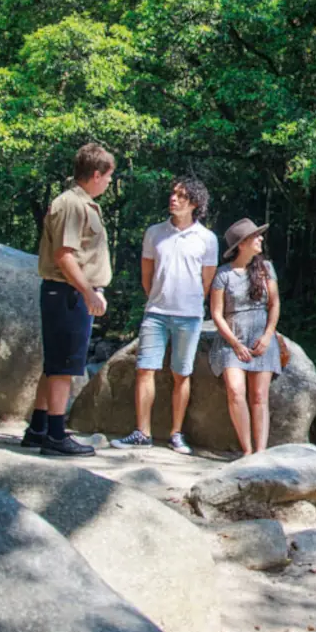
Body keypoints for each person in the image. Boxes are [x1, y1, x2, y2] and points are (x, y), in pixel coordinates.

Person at [111, 176, 219, 454]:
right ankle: (142, 432)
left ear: (194, 203)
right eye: (173, 193)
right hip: (156, 314)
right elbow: (146, 275)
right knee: (144, 369)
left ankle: (176, 434)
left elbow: (206, 281)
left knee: (182, 374)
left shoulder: (207, 239)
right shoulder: (154, 233)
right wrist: (157, 298)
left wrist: (190, 303)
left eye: (182, 196)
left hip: (189, 316)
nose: (174, 198)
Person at [28, 142, 115, 456]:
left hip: (69, 292)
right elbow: (64, 255)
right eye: (108, 176)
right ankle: (55, 435)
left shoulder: (83, 204)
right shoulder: (72, 205)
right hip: (67, 293)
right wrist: (88, 292)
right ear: (96, 174)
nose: (109, 182)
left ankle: (38, 429)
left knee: (55, 364)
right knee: (63, 367)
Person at [208, 218, 280, 455]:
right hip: (232, 340)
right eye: (255, 236)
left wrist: (268, 336)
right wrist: (235, 343)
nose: (260, 239)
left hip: (261, 337)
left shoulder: (266, 268)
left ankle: (260, 452)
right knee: (236, 391)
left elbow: (274, 304)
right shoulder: (224, 274)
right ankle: (247, 450)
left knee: (259, 396)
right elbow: (216, 314)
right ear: (241, 244)